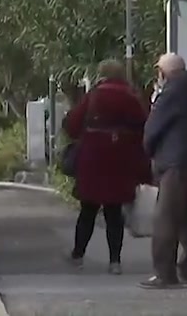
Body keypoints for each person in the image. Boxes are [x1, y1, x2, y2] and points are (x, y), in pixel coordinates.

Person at [63, 59, 150, 274]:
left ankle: (78, 254)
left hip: (93, 160)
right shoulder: (131, 98)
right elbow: (144, 125)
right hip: (120, 160)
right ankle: (115, 261)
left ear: (101, 73)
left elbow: (73, 125)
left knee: (88, 210)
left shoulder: (93, 96)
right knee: (114, 212)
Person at [141, 53, 187, 289]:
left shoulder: (170, 94)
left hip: (172, 162)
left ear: (163, 72)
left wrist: (149, 149)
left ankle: (164, 273)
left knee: (165, 219)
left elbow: (153, 128)